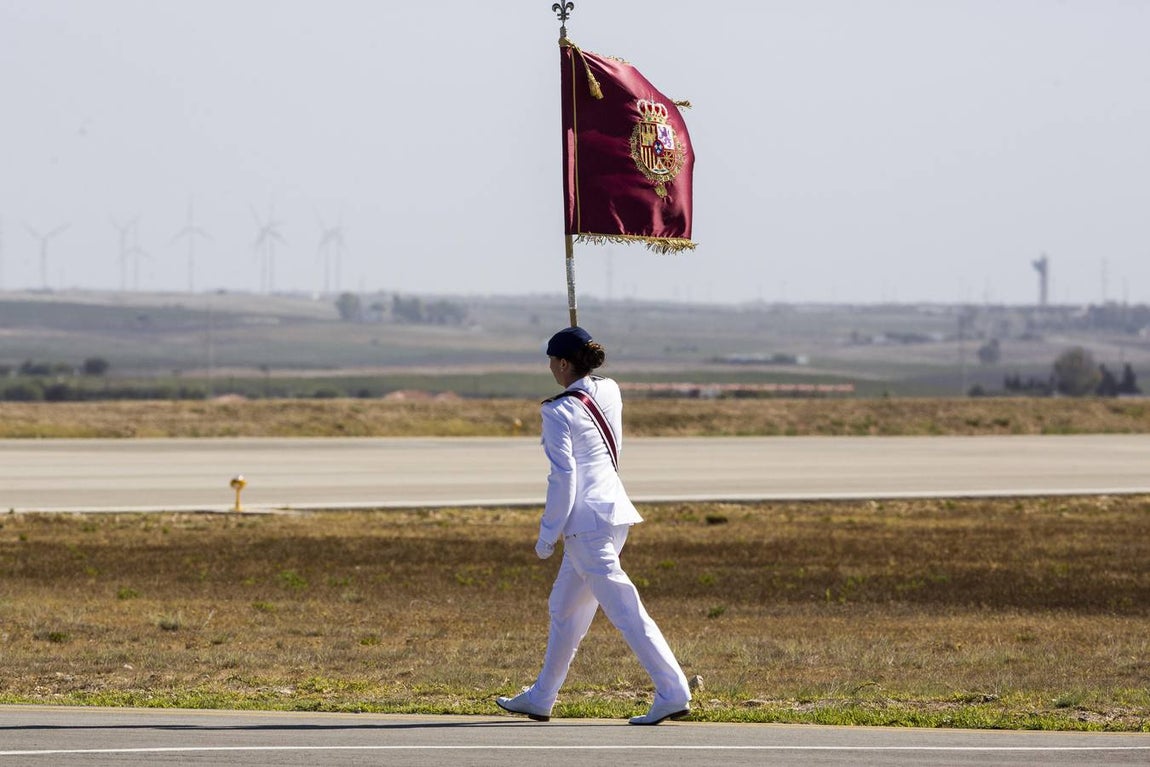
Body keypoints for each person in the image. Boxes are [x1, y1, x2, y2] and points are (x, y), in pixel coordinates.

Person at [496, 325, 692, 726]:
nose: (550, 367)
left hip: (585, 524)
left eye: (553, 360)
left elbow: (563, 478)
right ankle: (541, 697)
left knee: (625, 609)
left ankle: (673, 691)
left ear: (564, 363)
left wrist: (547, 534)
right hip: (614, 514)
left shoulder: (557, 411)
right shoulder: (609, 390)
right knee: (565, 608)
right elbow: (592, 389)